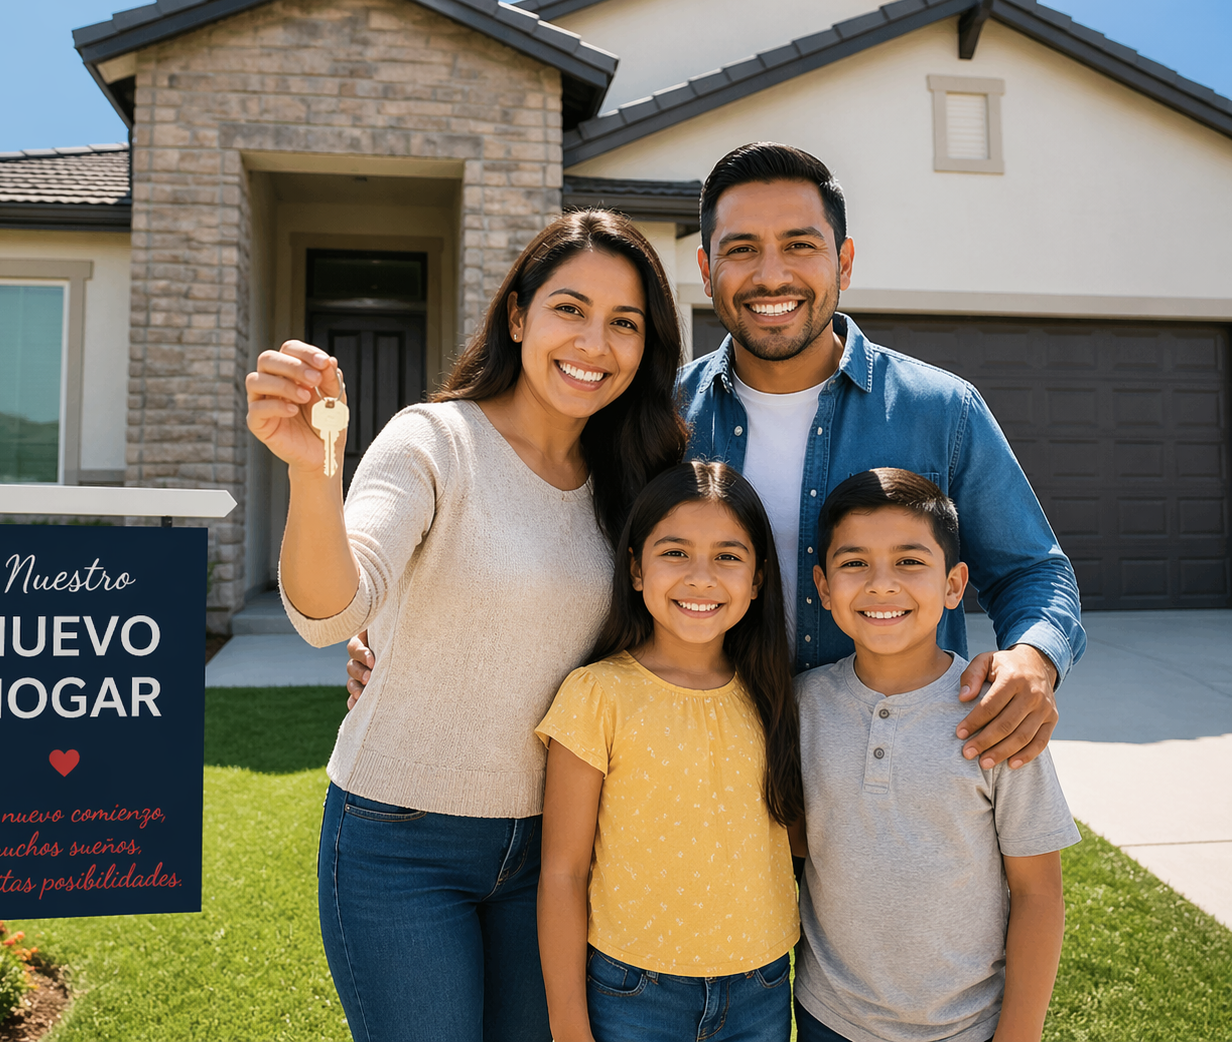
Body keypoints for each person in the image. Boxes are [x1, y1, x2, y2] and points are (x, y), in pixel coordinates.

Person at [350, 143, 1083, 772]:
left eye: (800, 245)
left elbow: (1033, 571)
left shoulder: (941, 411)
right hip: (697, 777)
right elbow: (556, 548)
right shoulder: (652, 418)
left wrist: (1033, 659)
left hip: (887, 780)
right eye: (741, 250)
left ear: (844, 261)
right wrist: (393, 638)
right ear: (706, 268)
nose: (771, 276)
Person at [244, 210, 687, 1042]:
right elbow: (332, 610)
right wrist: (315, 474)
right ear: (517, 317)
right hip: (399, 842)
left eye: (624, 323)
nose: (594, 342)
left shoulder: (637, 480)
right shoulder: (434, 441)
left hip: (556, 852)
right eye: (569, 309)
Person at [792, 468, 1079, 1042]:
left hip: (967, 1025)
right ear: (823, 587)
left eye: (909, 561)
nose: (881, 584)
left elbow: (1038, 891)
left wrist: (1018, 1034)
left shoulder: (997, 714)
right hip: (828, 1017)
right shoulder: (802, 704)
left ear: (953, 585)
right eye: (854, 564)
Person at [537, 461, 802, 1042]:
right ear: (635, 569)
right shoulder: (596, 695)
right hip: (631, 992)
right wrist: (568, 1026)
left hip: (759, 989)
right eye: (675, 553)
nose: (701, 578)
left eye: (729, 557)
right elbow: (562, 871)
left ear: (758, 579)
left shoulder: (777, 695)